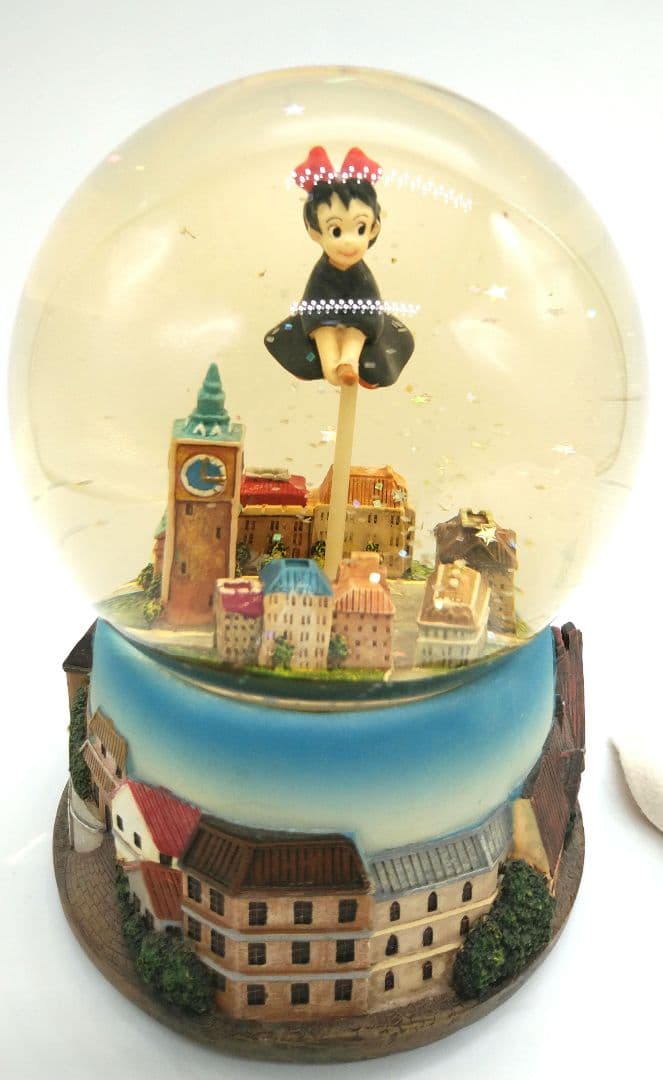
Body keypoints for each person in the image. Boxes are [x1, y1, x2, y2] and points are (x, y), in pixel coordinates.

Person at [264, 146, 414, 388]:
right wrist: (325, 324)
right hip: (323, 320)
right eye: (335, 230)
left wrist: (357, 322)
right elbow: (315, 309)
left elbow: (368, 310)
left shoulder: (363, 277)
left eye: (360, 229)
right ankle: (330, 363)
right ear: (315, 232)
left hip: (359, 321)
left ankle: (349, 362)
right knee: (323, 330)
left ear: (374, 228)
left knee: (358, 328)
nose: (349, 242)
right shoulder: (321, 275)